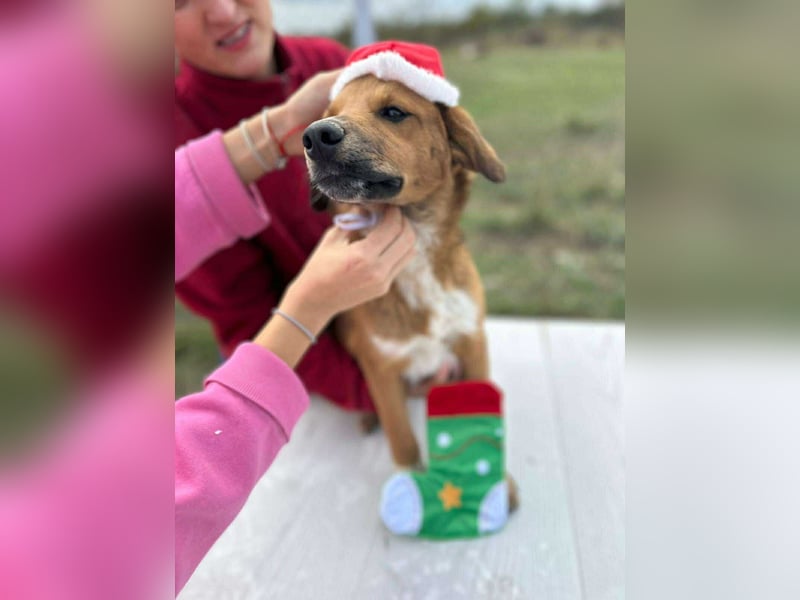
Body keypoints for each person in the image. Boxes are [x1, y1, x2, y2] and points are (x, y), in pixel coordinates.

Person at [174, 0, 380, 413]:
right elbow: (249, 319)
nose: (223, 12)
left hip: (397, 336)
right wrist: (372, 390)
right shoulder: (165, 135)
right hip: (296, 370)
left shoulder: (328, 62)